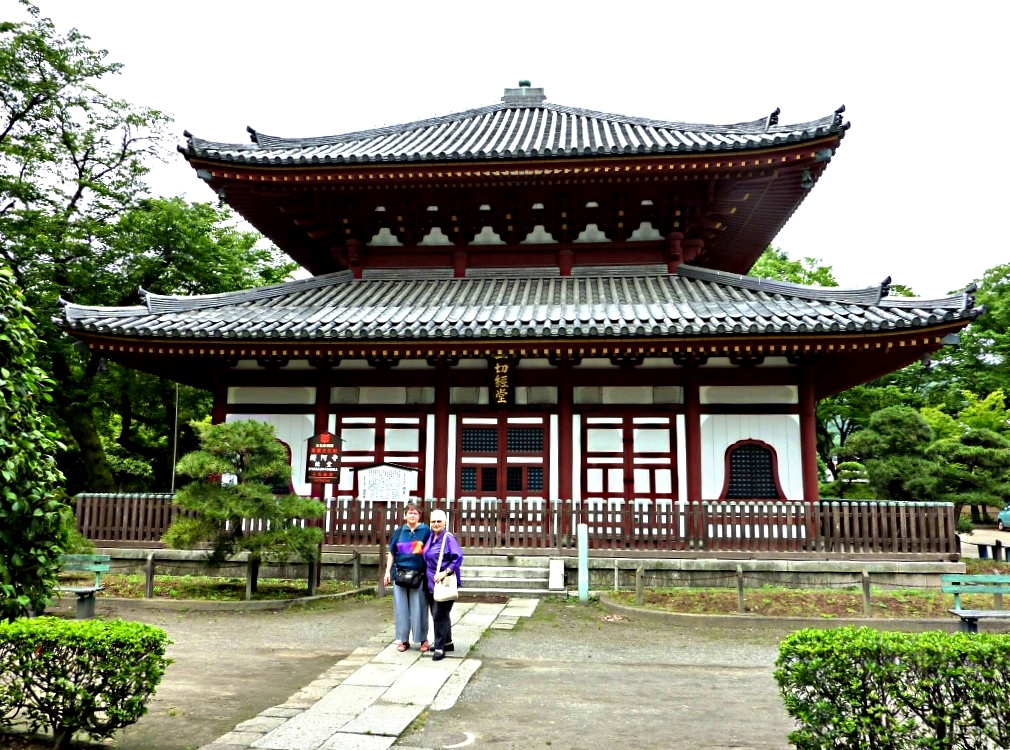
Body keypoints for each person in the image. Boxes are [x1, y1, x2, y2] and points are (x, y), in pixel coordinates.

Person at [383, 502, 430, 652]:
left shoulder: (425, 531)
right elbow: (392, 552)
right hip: (400, 574)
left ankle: (422, 639)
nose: (412, 515)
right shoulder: (399, 532)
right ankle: (403, 640)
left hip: (418, 575)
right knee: (401, 609)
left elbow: (430, 552)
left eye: (415, 513)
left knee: (419, 608)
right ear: (405, 515)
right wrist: (387, 572)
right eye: (410, 512)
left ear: (419, 516)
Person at [423, 509, 463, 661]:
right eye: (433, 521)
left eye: (439, 521)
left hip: (444, 582)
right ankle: (448, 642)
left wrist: (445, 572)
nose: (436, 524)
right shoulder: (431, 537)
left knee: (440, 614)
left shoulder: (448, 538)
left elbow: (458, 557)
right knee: (438, 613)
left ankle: (439, 648)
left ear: (445, 522)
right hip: (431, 582)